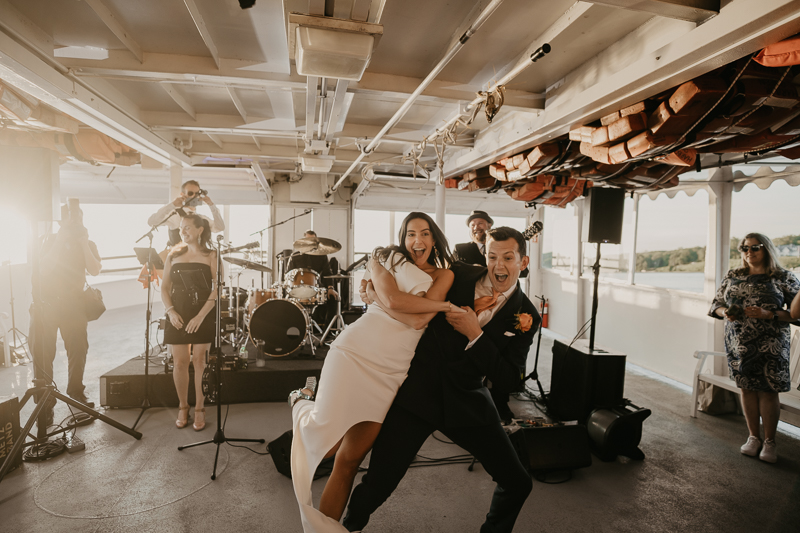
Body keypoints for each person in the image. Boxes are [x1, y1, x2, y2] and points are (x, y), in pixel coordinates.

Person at [345, 226, 539, 533]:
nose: (498, 265)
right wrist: (374, 290)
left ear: (523, 262)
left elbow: (509, 380)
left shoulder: (527, 315)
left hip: (468, 402)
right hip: (416, 395)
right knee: (377, 483)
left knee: (518, 482)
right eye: (491, 256)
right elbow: (410, 282)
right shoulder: (457, 275)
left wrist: (475, 334)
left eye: (508, 257)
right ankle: (349, 527)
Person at [289, 213, 462, 532]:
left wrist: (390, 301)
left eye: (425, 234)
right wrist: (445, 307)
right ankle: (301, 403)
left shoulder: (444, 275)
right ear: (403, 237)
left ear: (433, 239)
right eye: (410, 234)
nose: (417, 241)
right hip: (354, 352)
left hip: (390, 370)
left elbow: (415, 321)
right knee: (327, 448)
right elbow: (400, 304)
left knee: (350, 459)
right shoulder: (384, 257)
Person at [708, 233, 800, 463]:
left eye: (755, 247)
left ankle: (770, 442)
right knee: (746, 388)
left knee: (769, 391)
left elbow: (796, 315)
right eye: (744, 248)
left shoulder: (783, 277)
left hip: (772, 344)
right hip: (739, 343)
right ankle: (753, 438)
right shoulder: (733, 275)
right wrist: (725, 313)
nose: (749, 252)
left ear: (766, 249)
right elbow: (716, 305)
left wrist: (770, 314)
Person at [31, 202, 102, 419]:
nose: (76, 223)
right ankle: (45, 402)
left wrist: (83, 245)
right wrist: (60, 240)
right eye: (72, 219)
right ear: (61, 222)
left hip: (74, 304)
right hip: (47, 305)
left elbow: (95, 270)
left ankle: (76, 393)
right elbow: (43, 269)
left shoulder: (88, 243)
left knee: (78, 350)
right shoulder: (47, 241)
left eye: (79, 219)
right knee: (43, 354)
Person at [161, 214, 218, 431]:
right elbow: (164, 288)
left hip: (202, 313)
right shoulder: (173, 255)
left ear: (200, 229)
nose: (182, 231)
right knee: (180, 362)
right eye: (181, 228)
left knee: (200, 361)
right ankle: (183, 406)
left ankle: (200, 408)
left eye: (187, 228)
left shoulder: (211, 254)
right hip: (178, 313)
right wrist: (170, 312)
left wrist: (201, 316)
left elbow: (216, 289)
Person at [147, 180, 224, 247]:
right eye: (190, 193)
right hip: (179, 259)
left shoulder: (203, 219)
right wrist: (172, 205)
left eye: (197, 193)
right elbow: (152, 222)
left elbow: (220, 227)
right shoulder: (174, 215)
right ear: (182, 194)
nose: (194, 196)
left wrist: (211, 205)